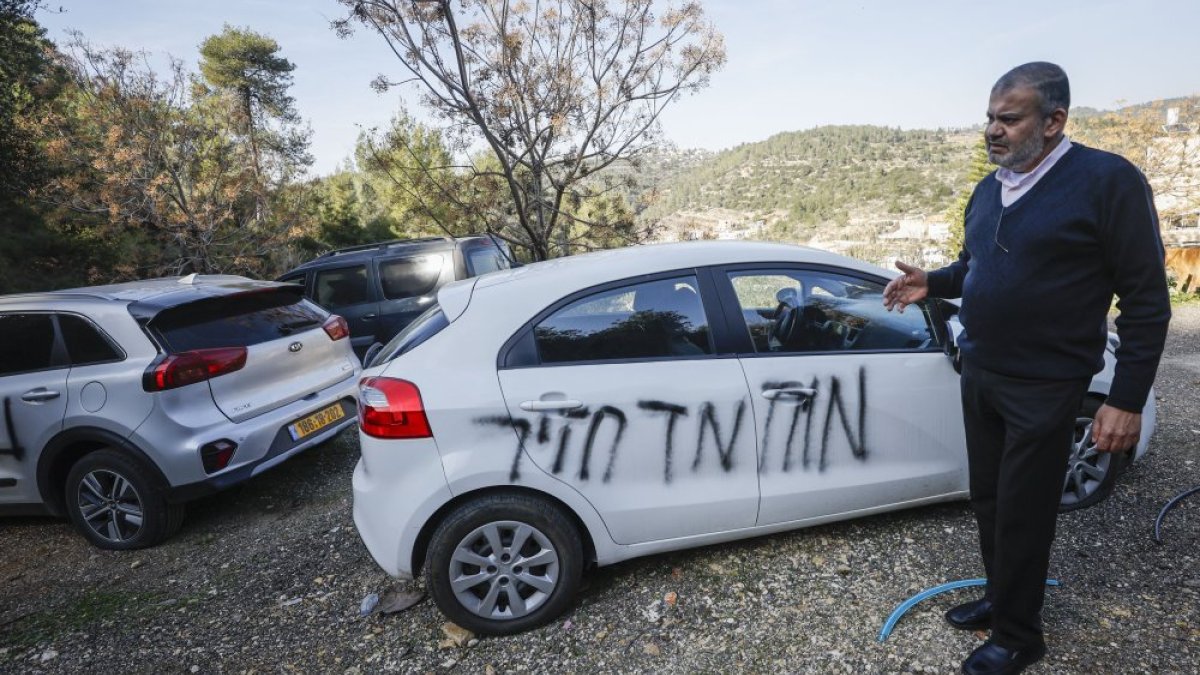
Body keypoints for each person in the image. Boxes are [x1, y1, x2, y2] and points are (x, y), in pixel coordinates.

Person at [883, 62, 1170, 675]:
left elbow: (1147, 303)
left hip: (1046, 384)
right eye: (989, 117)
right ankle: (999, 599)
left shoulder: (1107, 182)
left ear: (1054, 120)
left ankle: (1019, 637)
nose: (992, 130)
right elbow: (976, 268)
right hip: (983, 373)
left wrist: (1125, 399)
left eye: (1008, 119)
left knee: (1024, 509)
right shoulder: (989, 191)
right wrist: (930, 282)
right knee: (989, 500)